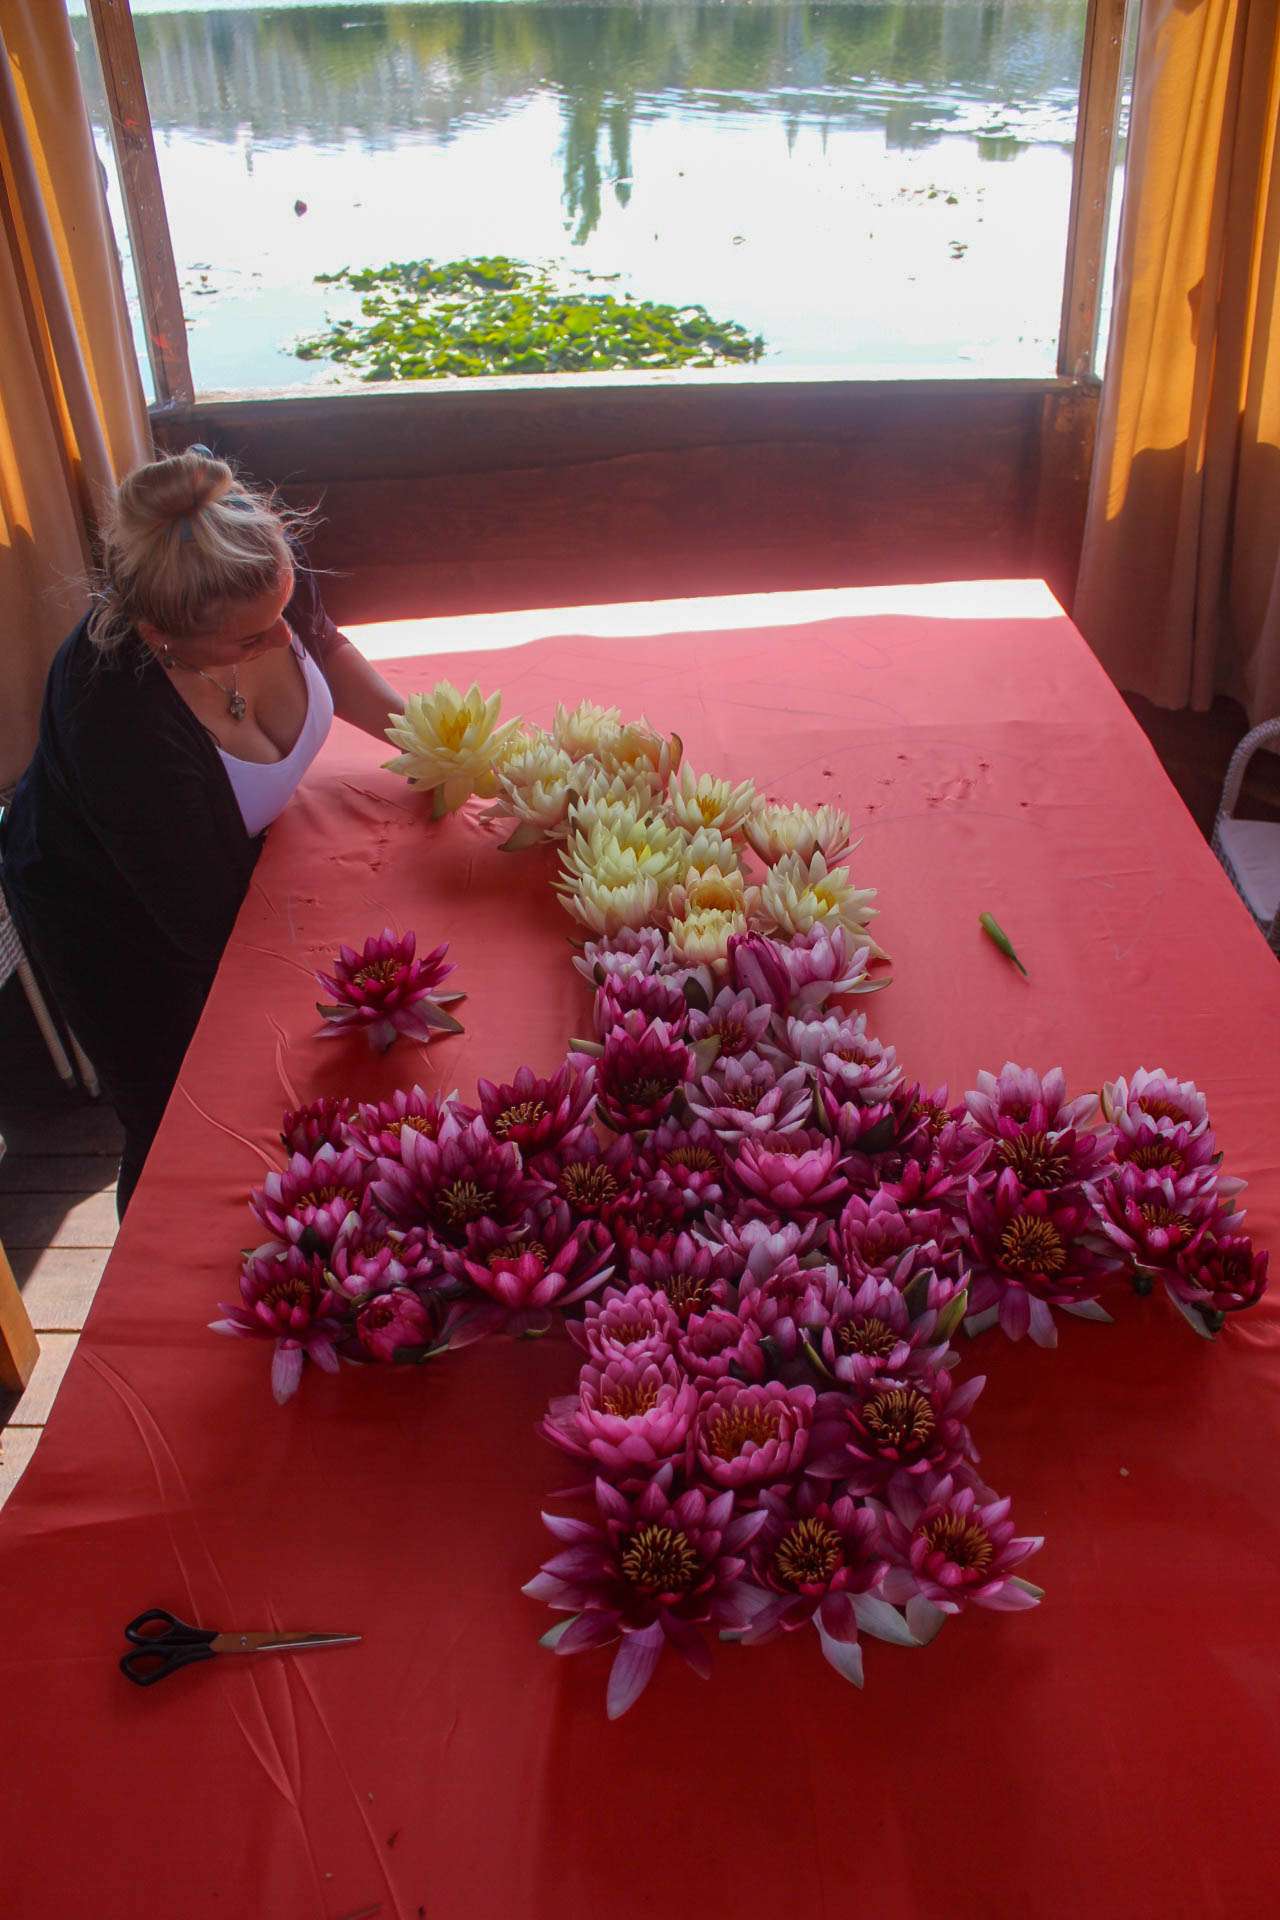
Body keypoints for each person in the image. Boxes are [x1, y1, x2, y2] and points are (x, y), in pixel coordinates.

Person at [1, 446, 404, 1215]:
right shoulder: (114, 719)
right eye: (249, 643)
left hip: (226, 866)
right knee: (173, 1118)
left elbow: (320, 639)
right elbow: (206, 927)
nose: (280, 641)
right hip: (107, 914)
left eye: (282, 611)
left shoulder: (246, 563)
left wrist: (434, 743)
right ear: (160, 635)